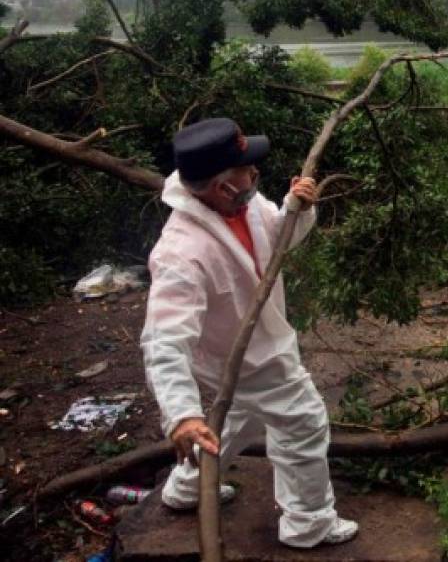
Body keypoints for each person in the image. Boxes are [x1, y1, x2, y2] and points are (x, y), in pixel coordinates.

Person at [140, 117, 358, 548]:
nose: (255, 174)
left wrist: (300, 208)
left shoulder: (245, 205)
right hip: (249, 359)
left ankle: (186, 488)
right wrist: (182, 414)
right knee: (303, 423)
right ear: (223, 186)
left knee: (233, 420)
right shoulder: (181, 253)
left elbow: (276, 243)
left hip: (248, 353)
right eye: (249, 170)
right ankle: (308, 522)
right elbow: (164, 340)